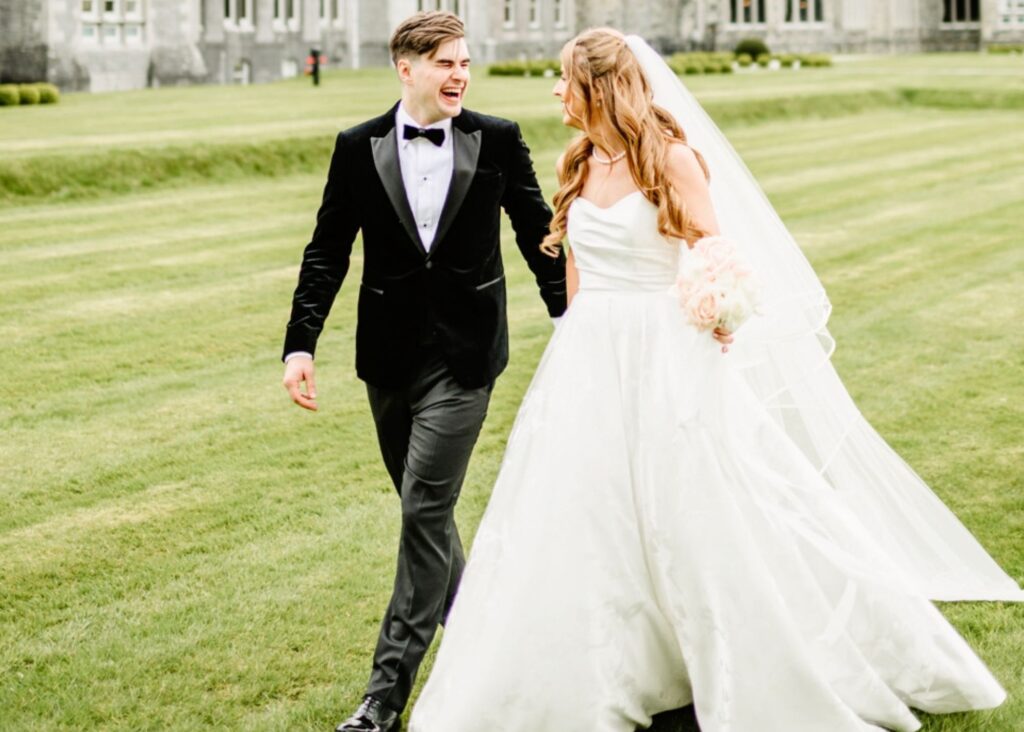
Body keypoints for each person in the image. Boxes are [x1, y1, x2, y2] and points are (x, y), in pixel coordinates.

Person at [408, 28, 1023, 732]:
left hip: (666, 352)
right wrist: (574, 339)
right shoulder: (575, 160)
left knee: (702, 506)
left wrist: (718, 308)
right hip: (589, 354)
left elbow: (714, 253)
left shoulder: (672, 160)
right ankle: (609, 667)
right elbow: (576, 266)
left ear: (601, 89)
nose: (556, 90)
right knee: (587, 506)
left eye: (566, 78)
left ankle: (762, 654)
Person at [280, 11, 566, 732]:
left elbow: (537, 233)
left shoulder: (497, 139)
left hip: (467, 359)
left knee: (423, 511)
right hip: (387, 360)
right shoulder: (358, 147)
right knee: (429, 524)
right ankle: (494, 655)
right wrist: (299, 345)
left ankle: (383, 697)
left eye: (465, 62)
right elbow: (327, 250)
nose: (460, 75)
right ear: (405, 68)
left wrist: (570, 319)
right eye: (446, 63)